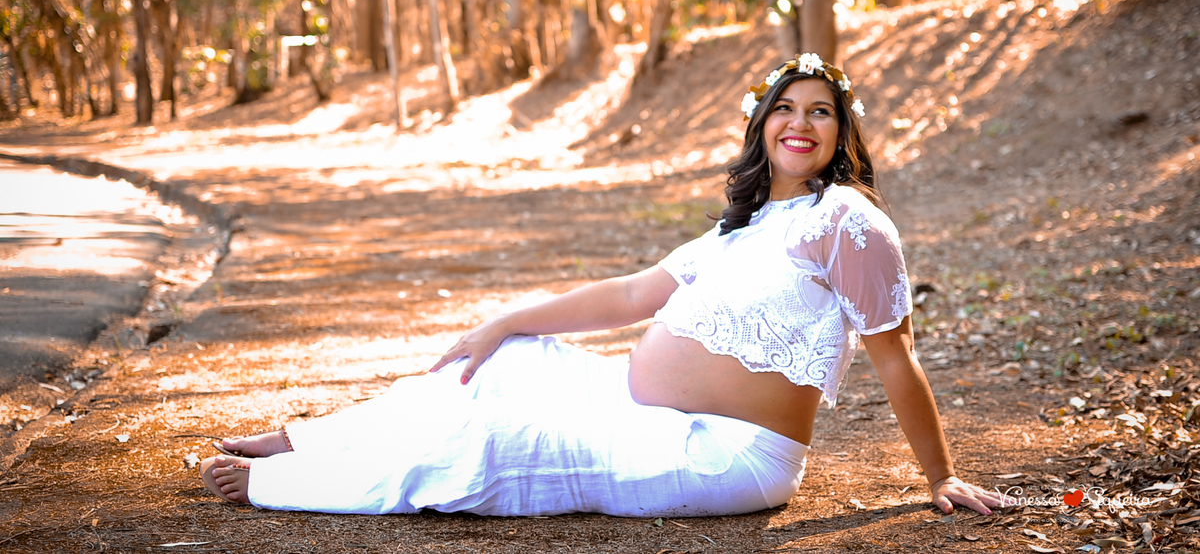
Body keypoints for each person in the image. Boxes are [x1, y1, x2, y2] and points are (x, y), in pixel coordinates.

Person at [200, 53, 1003, 518]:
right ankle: (314, 440)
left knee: (497, 441)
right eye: (784, 108)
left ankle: (291, 482)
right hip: (645, 406)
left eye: (820, 111)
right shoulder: (749, 223)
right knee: (500, 364)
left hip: (729, 455)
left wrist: (940, 476)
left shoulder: (850, 223)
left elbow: (896, 356)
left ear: (841, 130)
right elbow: (631, 296)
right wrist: (507, 320)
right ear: (762, 125)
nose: (801, 123)